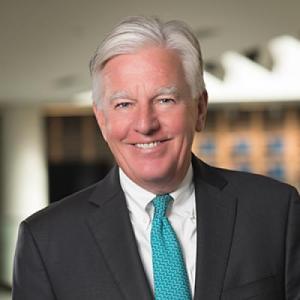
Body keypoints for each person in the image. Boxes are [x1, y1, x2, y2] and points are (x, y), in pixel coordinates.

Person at [13, 16, 300, 300]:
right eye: (124, 104)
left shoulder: (276, 212)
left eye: (164, 100)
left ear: (199, 109)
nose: (145, 124)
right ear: (102, 120)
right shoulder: (46, 241)